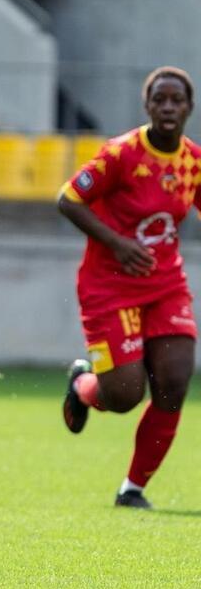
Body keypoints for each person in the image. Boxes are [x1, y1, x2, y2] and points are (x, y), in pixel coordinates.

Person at [59, 66, 199, 510]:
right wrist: (118, 244)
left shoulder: (193, 161)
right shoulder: (120, 154)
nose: (168, 107)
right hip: (109, 286)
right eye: (160, 99)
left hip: (165, 284)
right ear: (148, 105)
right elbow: (68, 199)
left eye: (177, 100)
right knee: (122, 396)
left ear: (189, 108)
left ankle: (132, 489)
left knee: (174, 383)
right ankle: (83, 382)